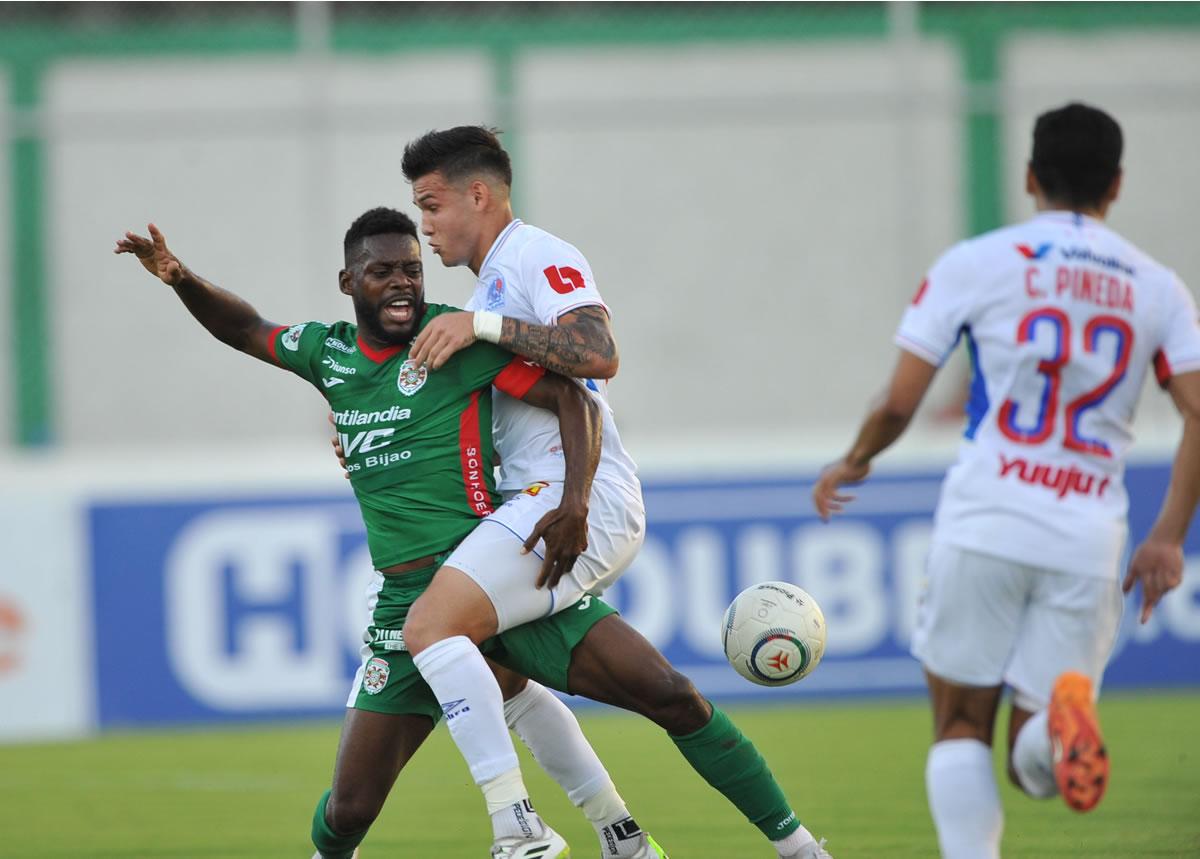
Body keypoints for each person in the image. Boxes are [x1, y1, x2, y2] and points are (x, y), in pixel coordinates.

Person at [115, 209, 648, 859]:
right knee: (352, 806)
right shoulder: (328, 352)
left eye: (411, 270)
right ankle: (603, 835)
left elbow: (573, 398)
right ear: (348, 281)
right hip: (399, 603)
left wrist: (576, 501)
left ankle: (561, 829)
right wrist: (180, 278)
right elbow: (248, 329)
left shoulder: (454, 338)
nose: (401, 283)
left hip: (478, 578)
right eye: (382, 271)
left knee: (637, 693)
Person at [379, 125, 831, 859]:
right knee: (660, 693)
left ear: (480, 194)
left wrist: (484, 328)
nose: (424, 225)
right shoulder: (487, 286)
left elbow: (597, 355)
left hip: (573, 500)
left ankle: (517, 827)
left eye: (431, 205)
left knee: (431, 628)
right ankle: (785, 848)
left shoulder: (534, 255)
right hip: (539, 503)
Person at [812, 102, 1200, 859]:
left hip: (987, 513)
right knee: (1034, 763)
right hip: (1089, 533)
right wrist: (1167, 535)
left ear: (1029, 177)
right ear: (1115, 186)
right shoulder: (1159, 289)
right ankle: (1060, 726)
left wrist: (855, 458)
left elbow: (899, 400)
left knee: (960, 723)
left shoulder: (980, 261)